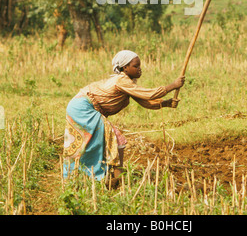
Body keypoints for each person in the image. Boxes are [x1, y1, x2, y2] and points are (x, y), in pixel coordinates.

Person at [63, 50, 185, 182]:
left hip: (82, 106)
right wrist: (173, 85)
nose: (139, 69)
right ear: (124, 67)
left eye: (139, 66)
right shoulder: (122, 80)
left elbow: (145, 101)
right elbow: (149, 94)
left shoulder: (128, 83)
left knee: (102, 141)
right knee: (116, 138)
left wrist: (166, 103)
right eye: (136, 66)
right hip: (83, 107)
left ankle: (110, 175)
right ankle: (116, 176)